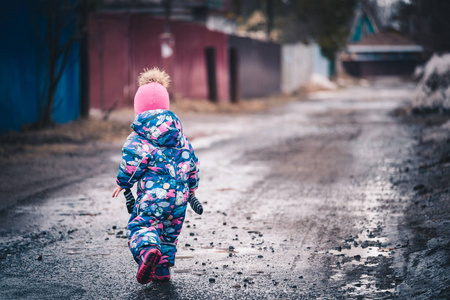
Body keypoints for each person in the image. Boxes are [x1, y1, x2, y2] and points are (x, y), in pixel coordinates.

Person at [112, 68, 200, 284]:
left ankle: (148, 251)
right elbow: (192, 161)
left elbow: (132, 161)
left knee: (143, 227)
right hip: (179, 200)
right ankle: (161, 272)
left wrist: (123, 183)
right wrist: (192, 185)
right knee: (169, 235)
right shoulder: (179, 135)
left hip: (154, 198)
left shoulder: (139, 137)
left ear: (138, 108)